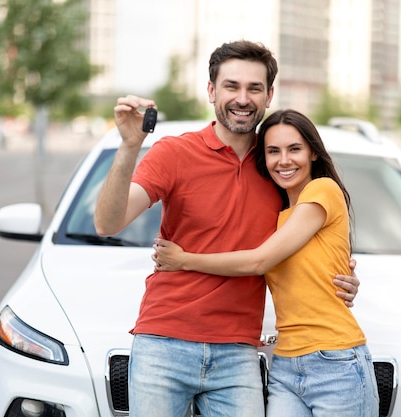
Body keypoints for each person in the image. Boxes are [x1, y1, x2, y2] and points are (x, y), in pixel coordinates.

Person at [94, 40, 360, 417]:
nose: (243, 98)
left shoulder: (277, 167)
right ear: (211, 91)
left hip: (238, 352)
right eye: (232, 86)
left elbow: (306, 237)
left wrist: (341, 274)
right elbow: (107, 222)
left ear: (269, 96)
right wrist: (129, 147)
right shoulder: (174, 153)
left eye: (254, 88)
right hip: (164, 340)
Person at [154, 109, 379, 417]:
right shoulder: (278, 215)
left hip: (335, 360)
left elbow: (259, 261)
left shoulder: (322, 190)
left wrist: (183, 260)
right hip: (285, 365)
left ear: (313, 151)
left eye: (294, 149)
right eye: (273, 151)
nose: (283, 160)